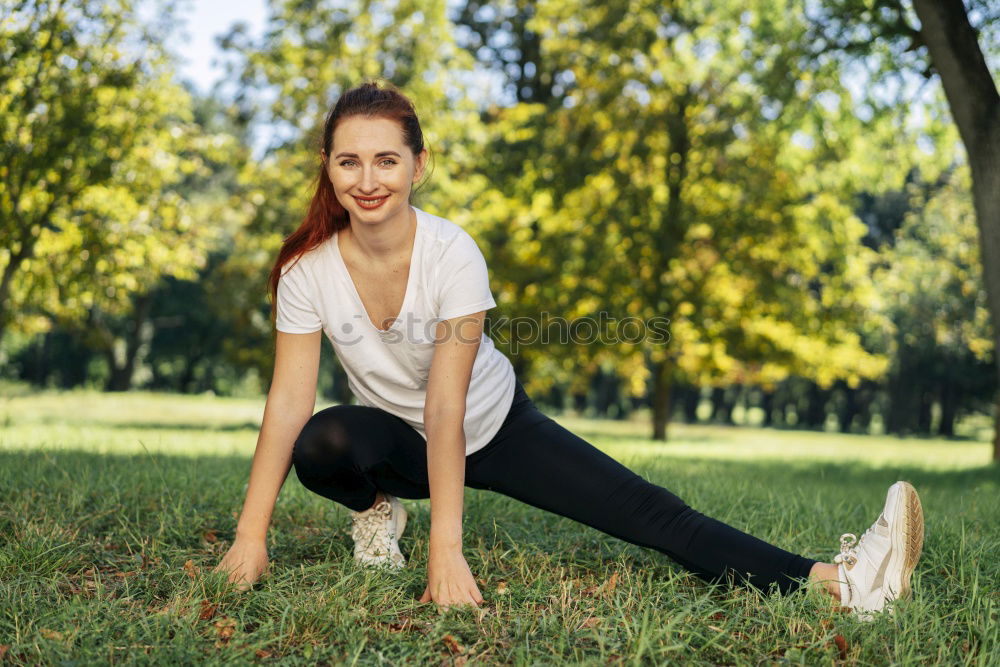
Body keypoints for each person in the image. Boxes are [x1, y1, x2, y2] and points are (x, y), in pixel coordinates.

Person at [214, 80, 924, 618]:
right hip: (399, 441)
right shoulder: (307, 271)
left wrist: (447, 549)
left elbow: (448, 403)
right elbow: (287, 401)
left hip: (491, 427)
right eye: (349, 162)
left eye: (386, 160)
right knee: (321, 439)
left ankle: (841, 580)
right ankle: (376, 512)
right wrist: (251, 536)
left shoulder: (452, 254)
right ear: (329, 168)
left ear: (418, 165)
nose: (367, 180)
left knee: (654, 515)